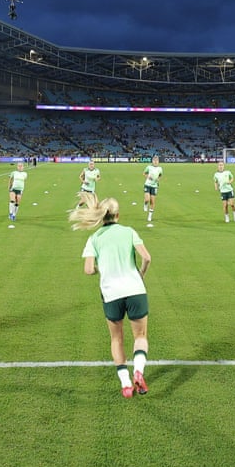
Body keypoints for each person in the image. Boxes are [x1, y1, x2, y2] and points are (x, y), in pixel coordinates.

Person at [68, 193, 152, 398]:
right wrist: (140, 274)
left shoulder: (94, 238)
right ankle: (138, 371)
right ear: (118, 215)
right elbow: (147, 258)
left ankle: (125, 384)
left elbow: (88, 270)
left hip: (111, 293)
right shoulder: (129, 231)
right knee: (140, 336)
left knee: (117, 339)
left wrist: (100, 269)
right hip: (135, 290)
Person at [142, 156, 163, 223]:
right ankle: (145, 204)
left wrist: (158, 179)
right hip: (147, 185)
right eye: (154, 160)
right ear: (152, 161)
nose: (156, 162)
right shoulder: (149, 167)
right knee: (147, 199)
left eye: (157, 160)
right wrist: (148, 176)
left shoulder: (160, 168)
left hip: (154, 186)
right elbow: (144, 173)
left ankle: (150, 216)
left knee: (152, 202)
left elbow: (160, 175)